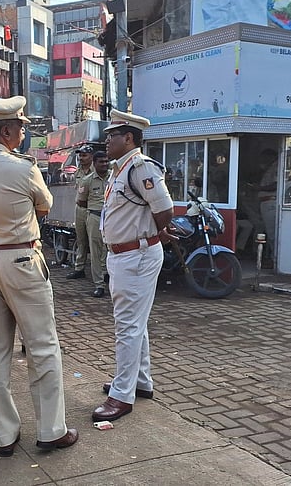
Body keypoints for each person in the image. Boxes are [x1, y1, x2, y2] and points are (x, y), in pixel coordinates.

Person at [0, 95, 77, 457]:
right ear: (7, 130)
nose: (23, 132)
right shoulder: (23, 168)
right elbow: (45, 205)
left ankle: (4, 435)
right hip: (20, 259)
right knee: (42, 345)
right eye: (21, 127)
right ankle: (51, 430)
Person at [94, 110, 174, 423]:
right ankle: (140, 382)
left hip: (137, 255)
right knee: (134, 324)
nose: (106, 141)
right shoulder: (121, 169)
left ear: (128, 138)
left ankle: (122, 396)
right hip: (125, 255)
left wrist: (154, 231)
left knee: (127, 325)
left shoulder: (140, 167)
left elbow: (164, 209)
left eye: (111, 136)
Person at [76, 150, 109, 298]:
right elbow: (81, 201)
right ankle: (99, 285)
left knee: (110, 249)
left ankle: (109, 276)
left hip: (111, 218)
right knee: (95, 252)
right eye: (101, 162)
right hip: (95, 217)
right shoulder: (87, 180)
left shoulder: (113, 178)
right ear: (95, 164)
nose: (105, 164)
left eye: (106, 161)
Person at [66, 146, 94, 279]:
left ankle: (101, 272)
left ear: (91, 156)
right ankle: (79, 268)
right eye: (80, 156)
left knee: (96, 242)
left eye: (84, 155)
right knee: (81, 239)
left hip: (93, 209)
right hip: (80, 209)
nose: (81, 158)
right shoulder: (78, 172)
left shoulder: (98, 170)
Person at [256, 149, 279, 267]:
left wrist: (259, 188)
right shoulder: (269, 168)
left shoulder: (276, 166)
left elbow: (276, 184)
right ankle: (271, 258)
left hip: (270, 201)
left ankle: (275, 260)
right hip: (266, 202)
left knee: (272, 233)